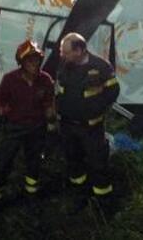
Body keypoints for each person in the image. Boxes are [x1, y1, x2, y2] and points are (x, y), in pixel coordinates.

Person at [55, 32, 120, 211]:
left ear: (79, 50)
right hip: (68, 126)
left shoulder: (101, 66)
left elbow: (113, 91)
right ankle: (80, 197)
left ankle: (104, 204)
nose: (62, 55)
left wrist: (97, 108)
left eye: (65, 52)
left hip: (91, 128)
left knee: (98, 163)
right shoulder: (65, 65)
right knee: (73, 162)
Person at [0, 40, 56, 205]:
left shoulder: (46, 80)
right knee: (3, 162)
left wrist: (52, 130)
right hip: (14, 128)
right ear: (21, 62)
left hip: (36, 128)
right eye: (30, 60)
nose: (35, 63)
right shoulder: (9, 79)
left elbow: (49, 106)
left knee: (34, 163)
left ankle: (30, 195)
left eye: (37, 59)